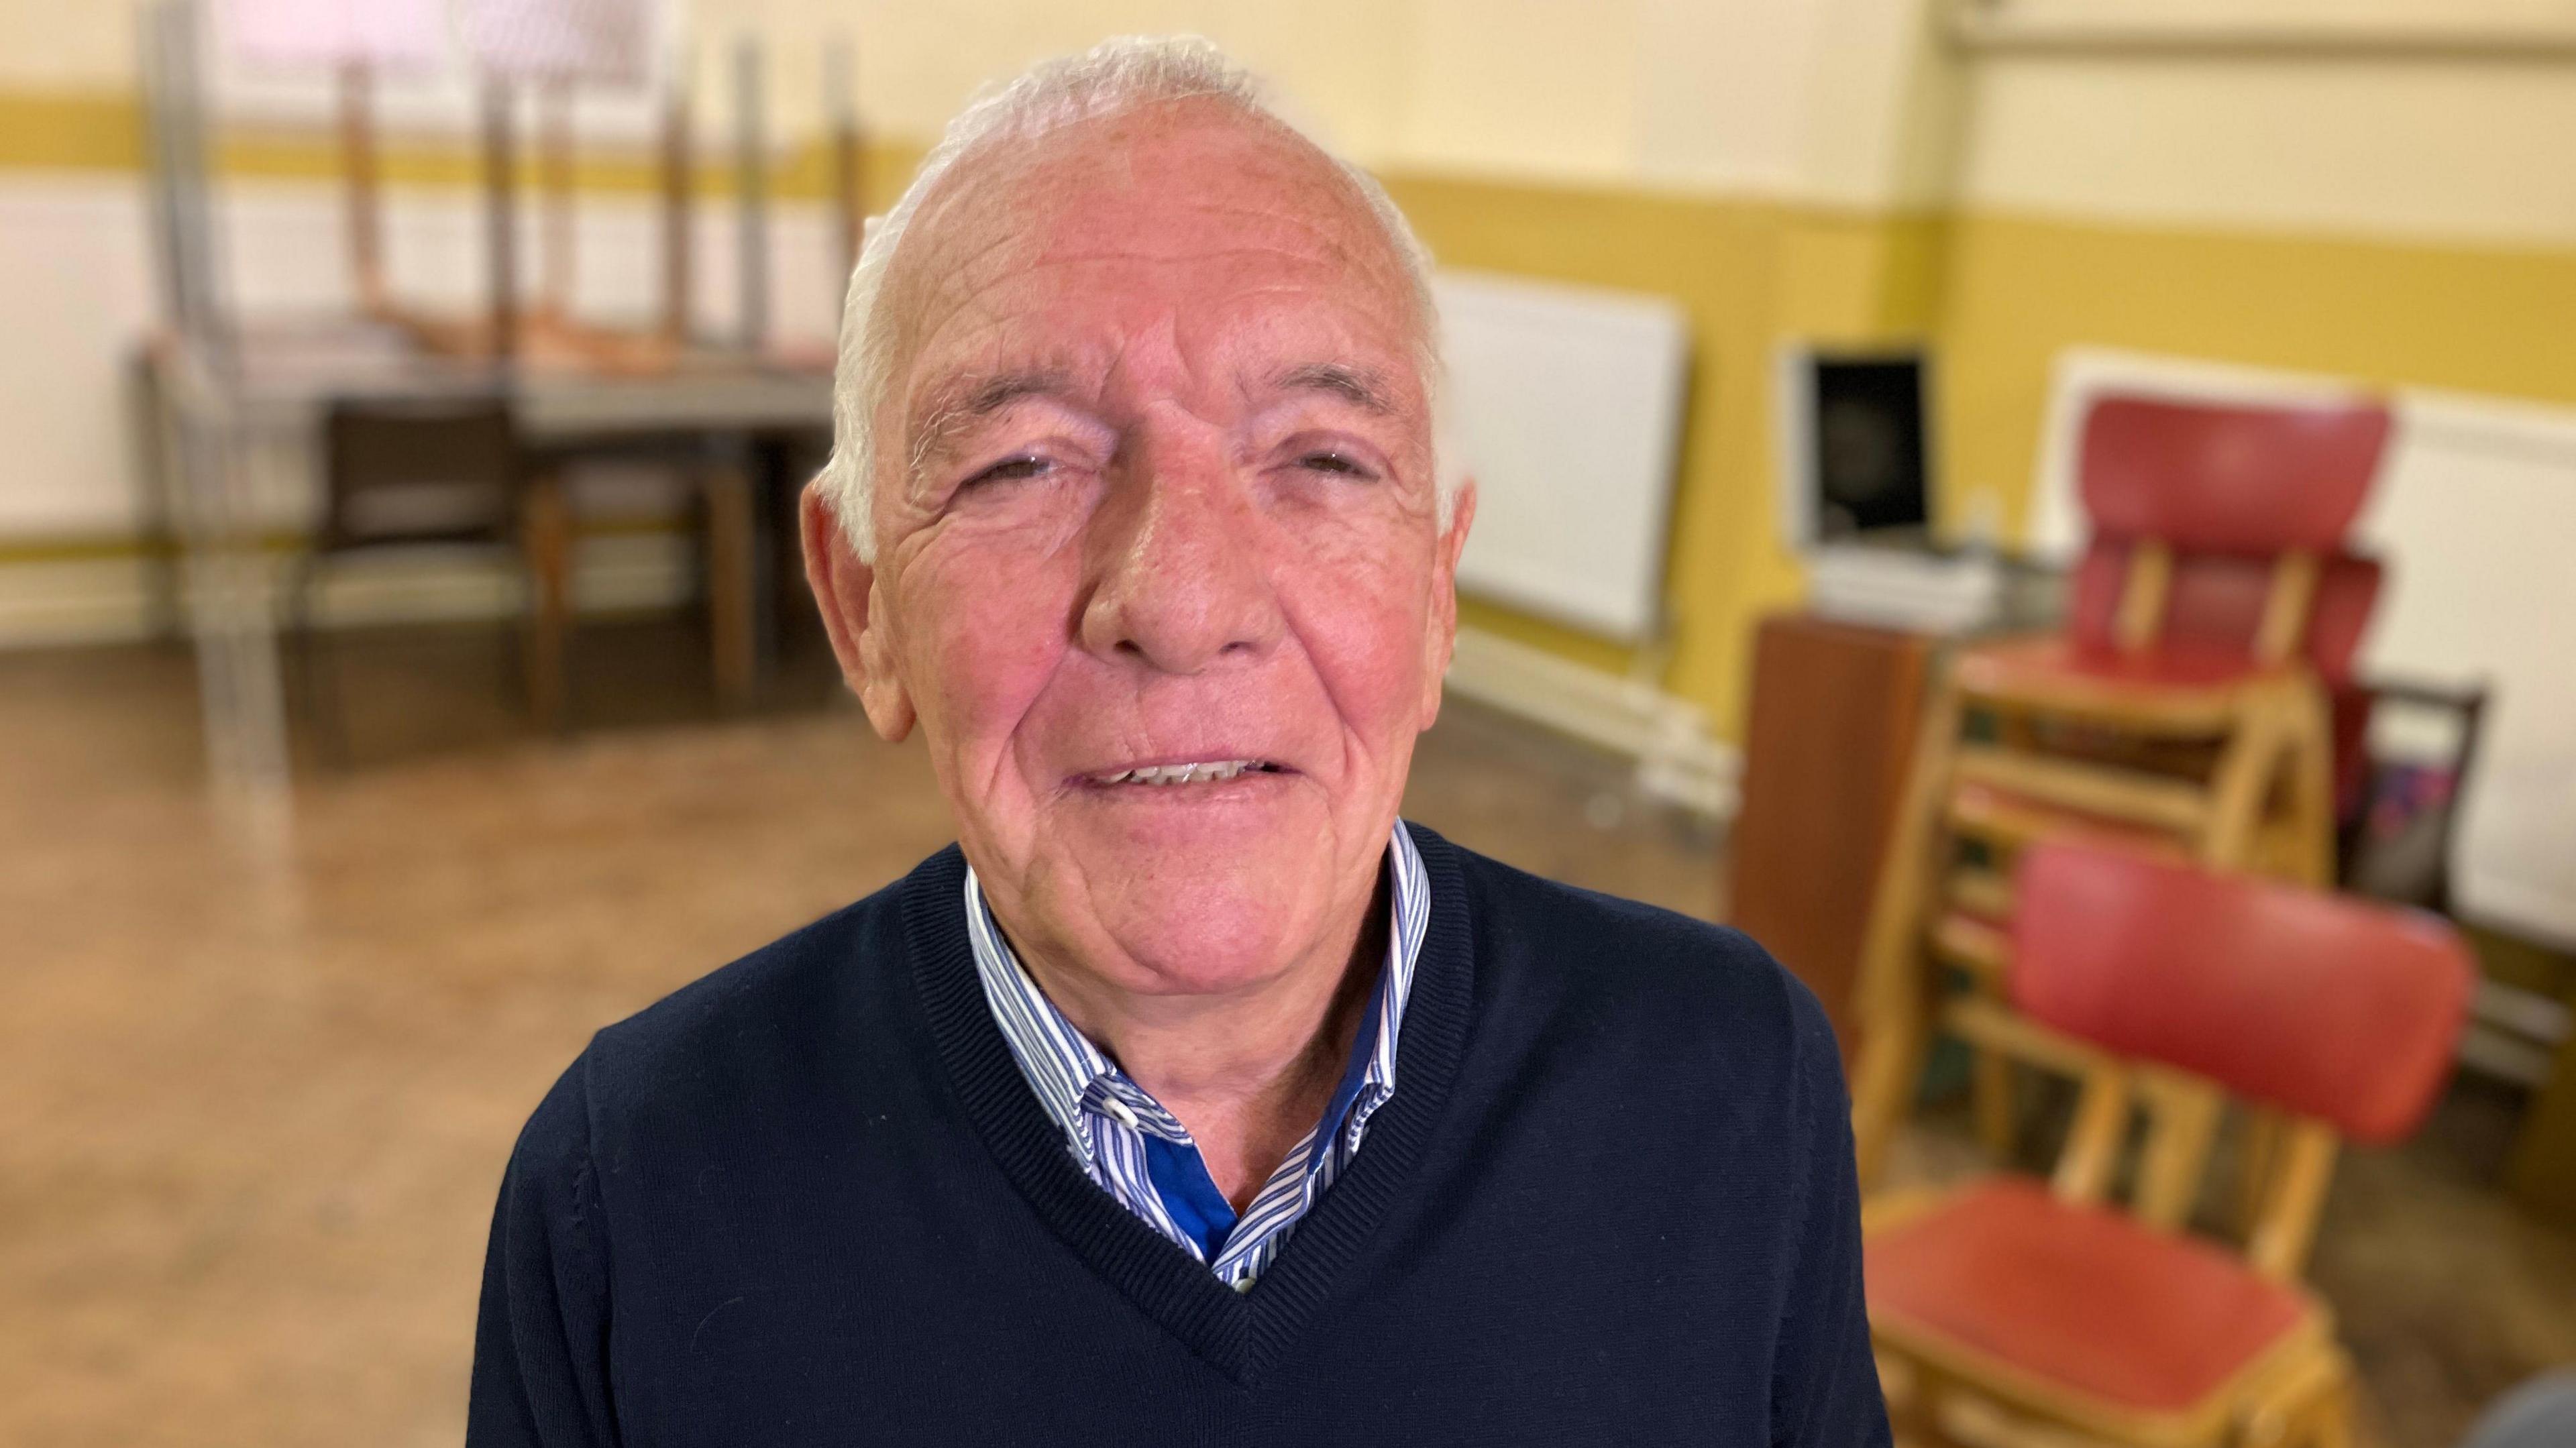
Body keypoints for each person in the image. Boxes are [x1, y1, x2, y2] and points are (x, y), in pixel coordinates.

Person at [468, 36, 1889, 1446]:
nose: (1184, 601)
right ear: (862, 611)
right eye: (1022, 462)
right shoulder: (630, 1198)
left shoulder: (1730, 1082)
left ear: (1438, 591)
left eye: (1322, 459)